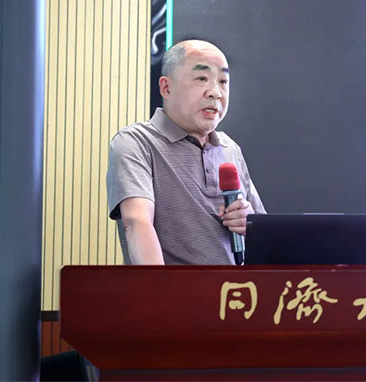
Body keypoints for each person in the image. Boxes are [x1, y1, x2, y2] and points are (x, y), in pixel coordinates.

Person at [106, 40, 266, 265]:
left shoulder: (230, 149)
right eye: (201, 79)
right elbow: (137, 223)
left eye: (223, 81)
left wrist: (249, 223)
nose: (215, 93)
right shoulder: (136, 142)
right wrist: (159, 285)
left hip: (233, 287)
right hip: (171, 287)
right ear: (166, 88)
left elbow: (265, 238)